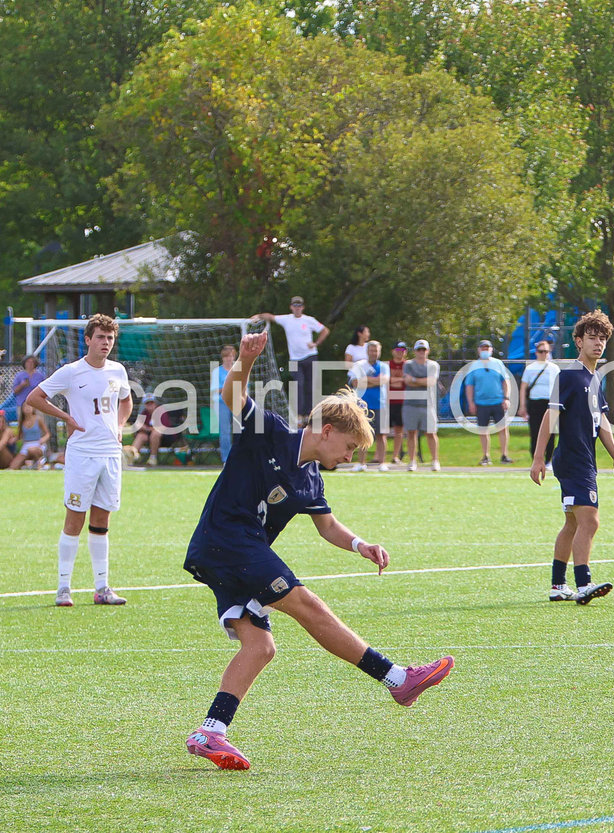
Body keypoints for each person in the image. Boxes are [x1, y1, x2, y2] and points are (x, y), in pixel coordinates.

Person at [182, 330, 454, 771]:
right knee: (306, 603)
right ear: (326, 430)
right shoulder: (268, 432)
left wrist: (360, 544)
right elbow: (230, 393)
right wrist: (247, 360)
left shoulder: (312, 478)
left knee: (261, 647)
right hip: (225, 541)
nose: (349, 455)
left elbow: (326, 525)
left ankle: (211, 730)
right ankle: (397, 678)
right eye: (348, 446)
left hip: (231, 553)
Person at [26, 314, 133, 607]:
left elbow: (126, 400)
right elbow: (34, 398)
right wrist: (66, 417)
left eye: (110, 338)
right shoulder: (72, 372)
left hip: (110, 454)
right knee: (75, 518)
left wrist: (121, 425)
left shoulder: (118, 371)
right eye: (100, 337)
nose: (106, 343)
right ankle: (64, 587)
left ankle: (102, 587)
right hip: (82, 454)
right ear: (88, 340)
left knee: (102, 520)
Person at [530, 310, 614, 604]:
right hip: (573, 460)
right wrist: (538, 459)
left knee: (572, 523)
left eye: (602, 339)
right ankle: (583, 583)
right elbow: (550, 415)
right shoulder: (570, 375)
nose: (597, 344)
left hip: (584, 459)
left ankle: (558, 585)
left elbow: (603, 422)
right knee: (590, 521)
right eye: (592, 338)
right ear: (578, 341)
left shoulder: (595, 378)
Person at [249, 297, 328, 418]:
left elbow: (325, 330)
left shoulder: (309, 320)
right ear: (291, 307)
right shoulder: (286, 319)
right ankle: (299, 415)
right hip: (294, 359)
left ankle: (309, 413)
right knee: (298, 384)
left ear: (303, 307)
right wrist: (258, 316)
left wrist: (316, 343)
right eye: (295, 306)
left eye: (299, 306)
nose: (297, 308)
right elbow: (271, 317)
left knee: (310, 385)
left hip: (310, 356)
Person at [465, 339, 514, 465]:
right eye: (483, 348)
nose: (485, 350)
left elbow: (505, 381)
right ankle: (486, 456)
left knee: (502, 428)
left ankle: (504, 455)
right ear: (478, 350)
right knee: (483, 430)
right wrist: (471, 402)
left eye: (487, 348)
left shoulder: (498, 364)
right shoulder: (474, 365)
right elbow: (469, 385)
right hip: (481, 403)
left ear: (491, 350)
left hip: (498, 401)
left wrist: (506, 398)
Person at [349, 340, 389, 470]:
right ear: (367, 351)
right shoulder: (359, 365)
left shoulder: (384, 366)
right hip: (363, 404)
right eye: (371, 350)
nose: (374, 353)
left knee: (381, 434)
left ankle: (382, 463)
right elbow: (355, 382)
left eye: (376, 350)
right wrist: (373, 381)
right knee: (362, 434)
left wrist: (365, 381)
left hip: (380, 404)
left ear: (379, 352)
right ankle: (361, 463)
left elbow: (383, 381)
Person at [520, 340, 559, 468]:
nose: (544, 354)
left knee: (551, 432)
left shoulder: (554, 368)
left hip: (550, 403)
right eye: (541, 351)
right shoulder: (530, 368)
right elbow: (523, 388)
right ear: (536, 353)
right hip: (535, 402)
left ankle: (549, 460)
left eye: (546, 351)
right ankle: (536, 459)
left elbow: (558, 387)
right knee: (535, 432)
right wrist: (522, 406)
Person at [403, 339, 440, 471]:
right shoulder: (408, 364)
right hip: (410, 404)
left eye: (423, 350)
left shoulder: (433, 365)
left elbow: (431, 382)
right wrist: (420, 381)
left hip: (428, 404)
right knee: (411, 433)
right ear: (415, 351)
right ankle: (412, 461)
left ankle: (435, 461)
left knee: (431, 433)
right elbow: (407, 381)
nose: (421, 352)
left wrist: (414, 380)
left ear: (428, 351)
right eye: (419, 350)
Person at [126, 395, 181, 466]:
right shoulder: (144, 413)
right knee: (141, 435)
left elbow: (162, 427)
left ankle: (153, 458)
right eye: (147, 403)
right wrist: (142, 427)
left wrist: (147, 428)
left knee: (155, 433)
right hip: (149, 436)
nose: (150, 405)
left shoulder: (161, 411)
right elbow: (139, 425)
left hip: (165, 438)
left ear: (155, 403)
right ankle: (131, 458)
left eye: (151, 403)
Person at [212, 345, 238, 462]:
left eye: (231, 356)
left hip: (237, 403)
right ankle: (226, 460)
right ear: (223, 358)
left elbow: (244, 388)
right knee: (225, 432)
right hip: (222, 403)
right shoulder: (217, 371)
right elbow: (215, 390)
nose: (229, 359)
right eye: (226, 356)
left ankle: (240, 458)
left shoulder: (239, 369)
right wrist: (228, 388)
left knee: (241, 430)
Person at [386, 342, 409, 465]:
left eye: (402, 349)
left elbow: (407, 381)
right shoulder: (387, 365)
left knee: (399, 429)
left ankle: (395, 456)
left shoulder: (407, 365)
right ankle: (380, 456)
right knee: (383, 429)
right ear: (393, 351)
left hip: (402, 401)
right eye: (398, 349)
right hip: (387, 401)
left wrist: (394, 380)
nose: (400, 352)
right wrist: (400, 380)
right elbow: (385, 380)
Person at [10, 402, 51, 469]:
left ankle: (40, 462)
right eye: (25, 407)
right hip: (26, 445)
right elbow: (19, 436)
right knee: (13, 465)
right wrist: (12, 439)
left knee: (32, 450)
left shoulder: (38, 419)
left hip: (38, 444)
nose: (27, 409)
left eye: (29, 406)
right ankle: (31, 464)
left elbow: (48, 434)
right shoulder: (22, 422)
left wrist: (43, 439)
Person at [10, 355, 45, 420]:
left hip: (37, 405)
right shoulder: (19, 376)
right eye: (28, 362)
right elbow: (15, 391)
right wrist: (22, 385)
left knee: (38, 423)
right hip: (22, 404)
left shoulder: (40, 376)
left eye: (32, 362)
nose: (30, 364)